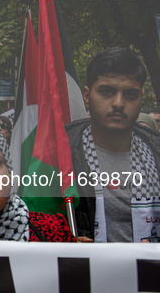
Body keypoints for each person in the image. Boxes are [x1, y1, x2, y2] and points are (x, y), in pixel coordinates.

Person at [66, 47, 160, 242]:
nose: (118, 103)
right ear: (86, 95)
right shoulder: (60, 153)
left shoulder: (156, 152)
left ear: (141, 97)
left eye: (130, 95)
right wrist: (62, 242)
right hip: (81, 271)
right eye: (107, 92)